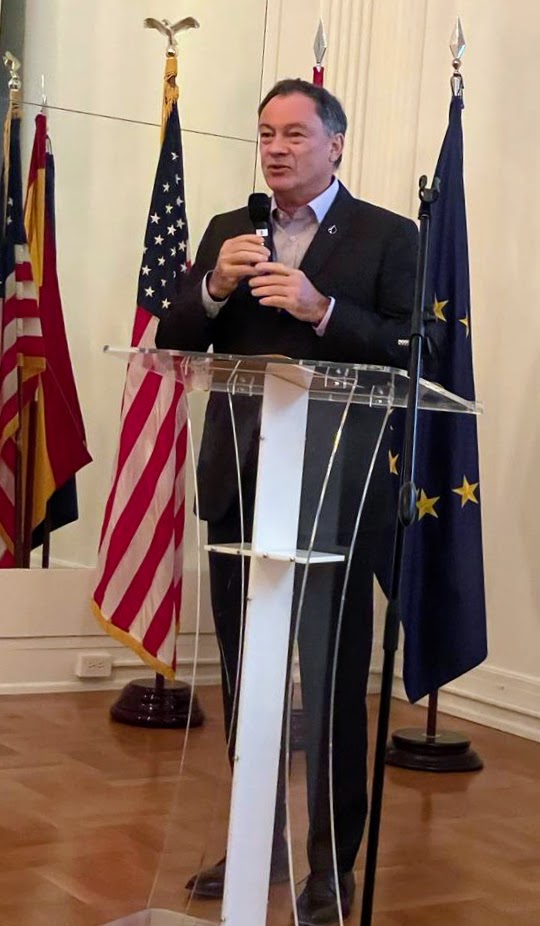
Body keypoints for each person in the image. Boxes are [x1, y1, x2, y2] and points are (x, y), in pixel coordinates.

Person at [156, 78, 419, 926]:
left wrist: (321, 308)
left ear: (335, 144)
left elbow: (409, 348)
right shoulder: (230, 231)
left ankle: (330, 864)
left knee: (331, 683)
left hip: (335, 492)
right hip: (241, 485)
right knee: (248, 678)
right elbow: (172, 336)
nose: (276, 147)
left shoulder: (388, 236)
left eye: (295, 134)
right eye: (266, 133)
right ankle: (256, 837)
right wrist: (212, 288)